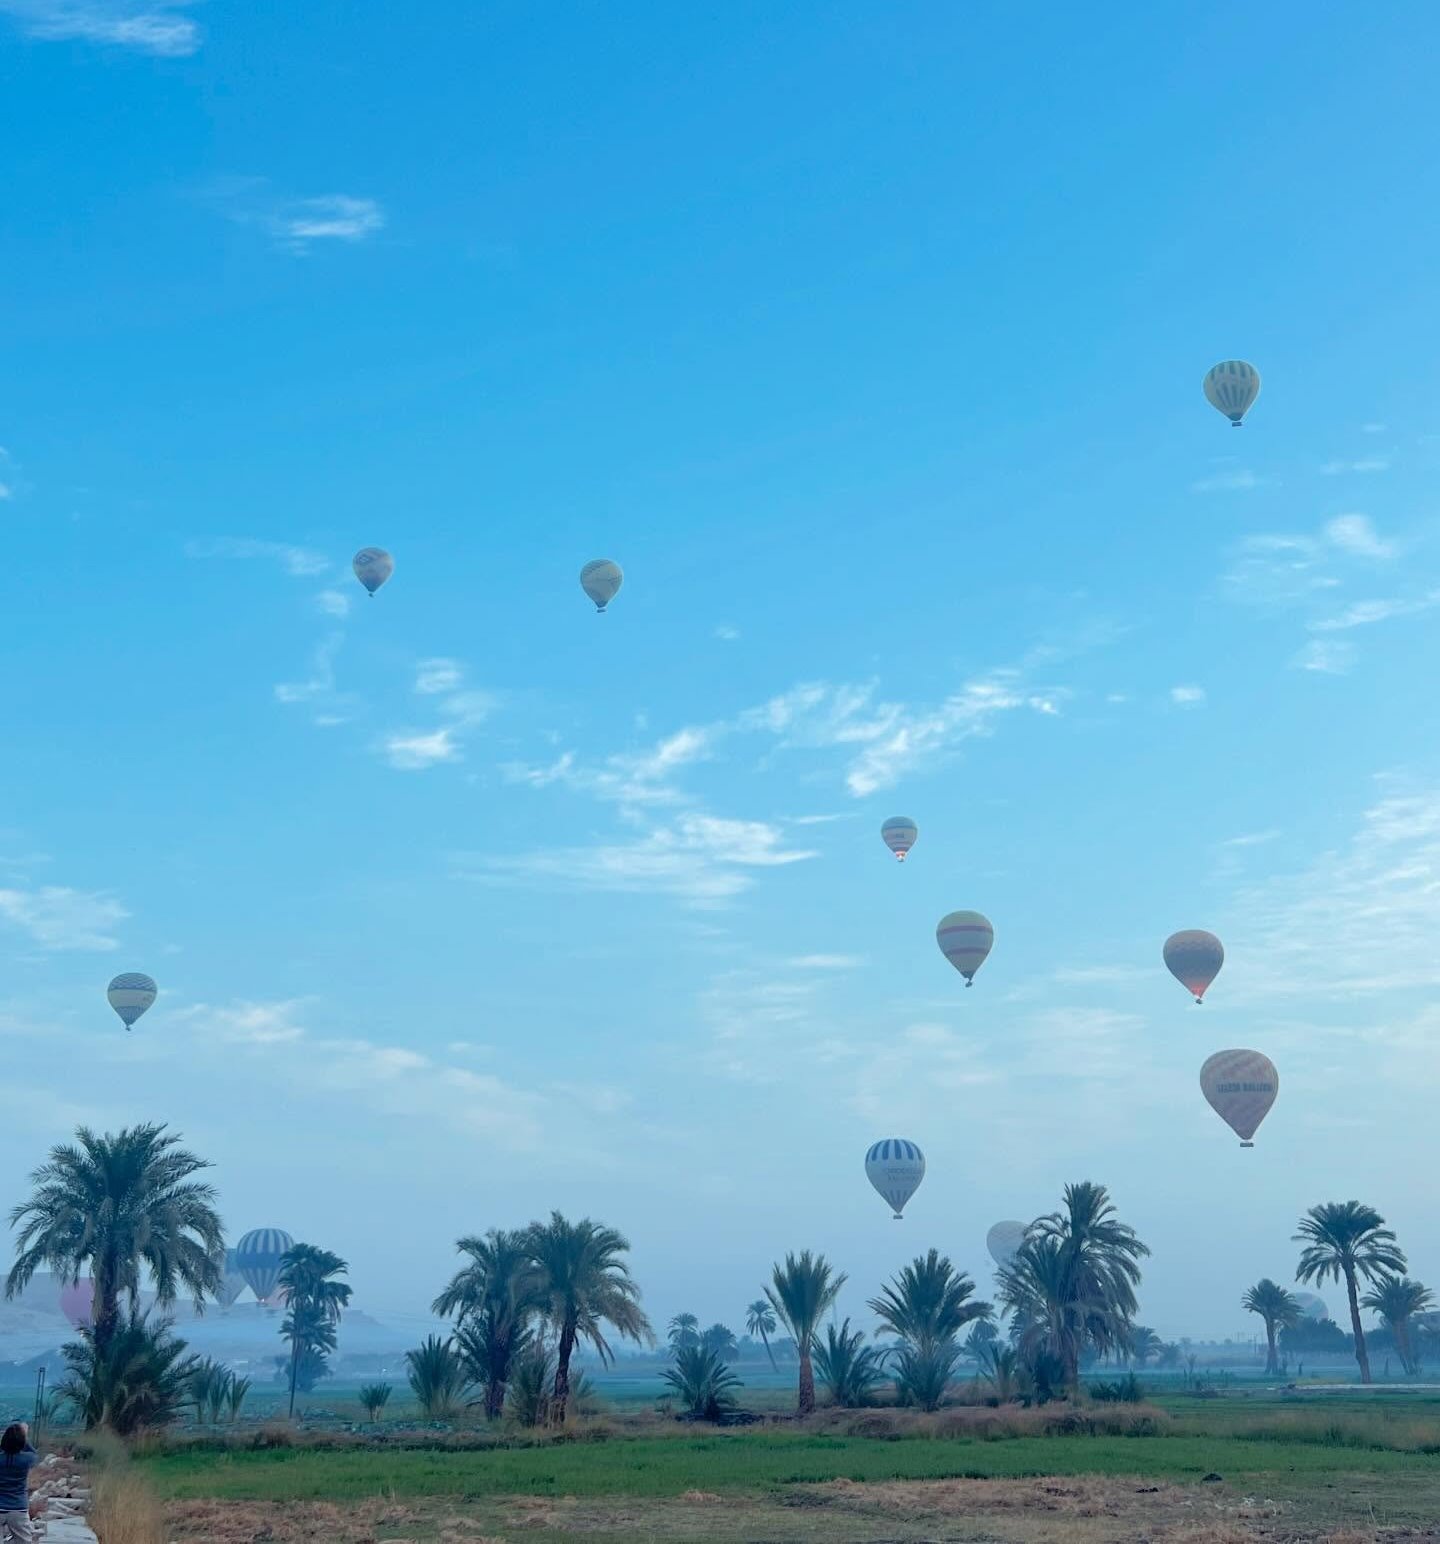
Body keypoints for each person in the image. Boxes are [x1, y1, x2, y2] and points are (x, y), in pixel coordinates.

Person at [0, 1423, 36, 1543]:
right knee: (24, 1541)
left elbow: (3, 1449)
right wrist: (23, 1436)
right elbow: (34, 1453)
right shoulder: (27, 1459)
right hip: (18, 1507)